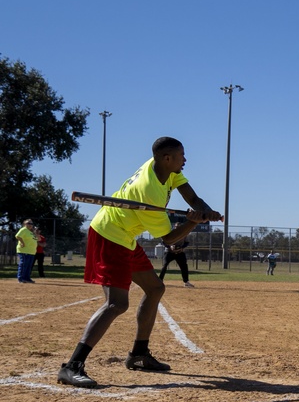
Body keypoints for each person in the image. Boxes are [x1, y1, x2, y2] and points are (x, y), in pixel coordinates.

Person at [57, 136, 222, 389]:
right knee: (116, 304)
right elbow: (168, 238)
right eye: (181, 155)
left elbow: (193, 198)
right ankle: (72, 366)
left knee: (155, 288)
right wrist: (193, 223)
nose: (185, 159)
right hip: (109, 234)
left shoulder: (167, 170)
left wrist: (205, 211)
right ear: (167, 158)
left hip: (125, 235)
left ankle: (139, 355)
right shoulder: (150, 192)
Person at [158, 222, 193, 287]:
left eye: (179, 227)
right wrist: (169, 246)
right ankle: (160, 280)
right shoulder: (170, 232)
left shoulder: (184, 233)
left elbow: (187, 242)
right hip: (169, 252)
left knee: (184, 266)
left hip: (179, 253)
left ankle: (186, 282)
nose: (177, 228)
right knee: (165, 265)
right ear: (174, 227)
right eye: (176, 227)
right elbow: (163, 241)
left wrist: (181, 247)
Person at [15, 219, 37, 284]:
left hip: (31, 251)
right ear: (25, 224)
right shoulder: (24, 229)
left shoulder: (31, 232)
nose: (30, 225)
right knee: (23, 264)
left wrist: (35, 233)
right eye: (28, 223)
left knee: (28, 266)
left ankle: (27, 278)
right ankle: (21, 278)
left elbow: (37, 239)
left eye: (31, 223)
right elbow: (18, 236)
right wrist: (22, 242)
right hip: (24, 250)